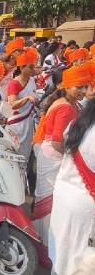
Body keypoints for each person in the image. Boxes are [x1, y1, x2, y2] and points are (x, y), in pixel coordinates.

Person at [32, 65, 90, 264]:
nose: (83, 91)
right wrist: (75, 158)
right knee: (49, 205)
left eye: (86, 87)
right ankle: (44, 248)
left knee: (47, 201)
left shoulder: (65, 101)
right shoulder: (65, 107)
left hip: (49, 154)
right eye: (79, 87)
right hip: (53, 156)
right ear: (67, 86)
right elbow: (58, 141)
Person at [48, 99, 95, 275]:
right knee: (78, 265)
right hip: (85, 211)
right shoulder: (67, 109)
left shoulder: (80, 121)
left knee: (63, 257)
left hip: (65, 199)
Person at [5, 48, 39, 169]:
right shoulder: (14, 84)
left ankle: (23, 178)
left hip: (28, 122)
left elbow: (34, 96)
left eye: (33, 67)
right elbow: (13, 104)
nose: (33, 70)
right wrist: (27, 98)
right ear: (21, 68)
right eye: (30, 67)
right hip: (16, 123)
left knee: (25, 153)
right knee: (13, 154)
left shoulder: (32, 80)